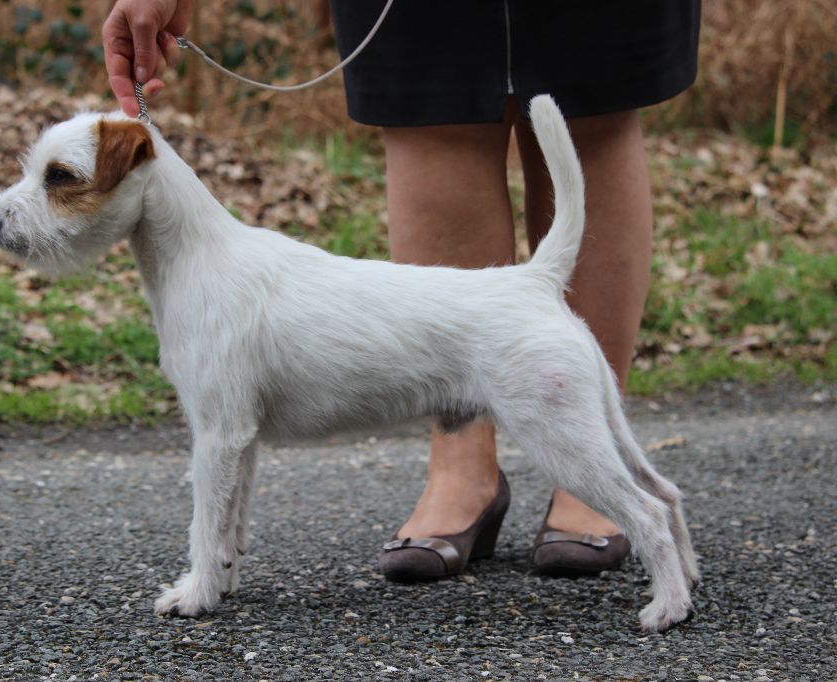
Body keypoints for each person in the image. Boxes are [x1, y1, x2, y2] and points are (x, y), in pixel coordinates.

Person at [103, 0, 700, 582]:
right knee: (429, 101)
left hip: (514, 328)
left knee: (594, 92)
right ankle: (463, 473)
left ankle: (591, 485)